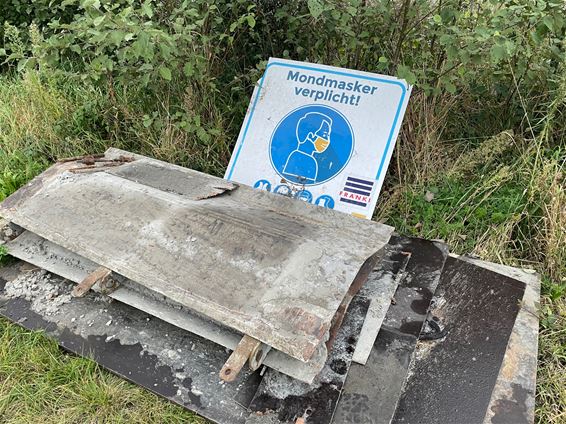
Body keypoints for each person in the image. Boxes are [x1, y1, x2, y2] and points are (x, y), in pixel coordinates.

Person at [282, 112, 332, 183]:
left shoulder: (298, 155)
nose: (327, 140)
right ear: (310, 135)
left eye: (328, 136)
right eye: (324, 135)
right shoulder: (307, 159)